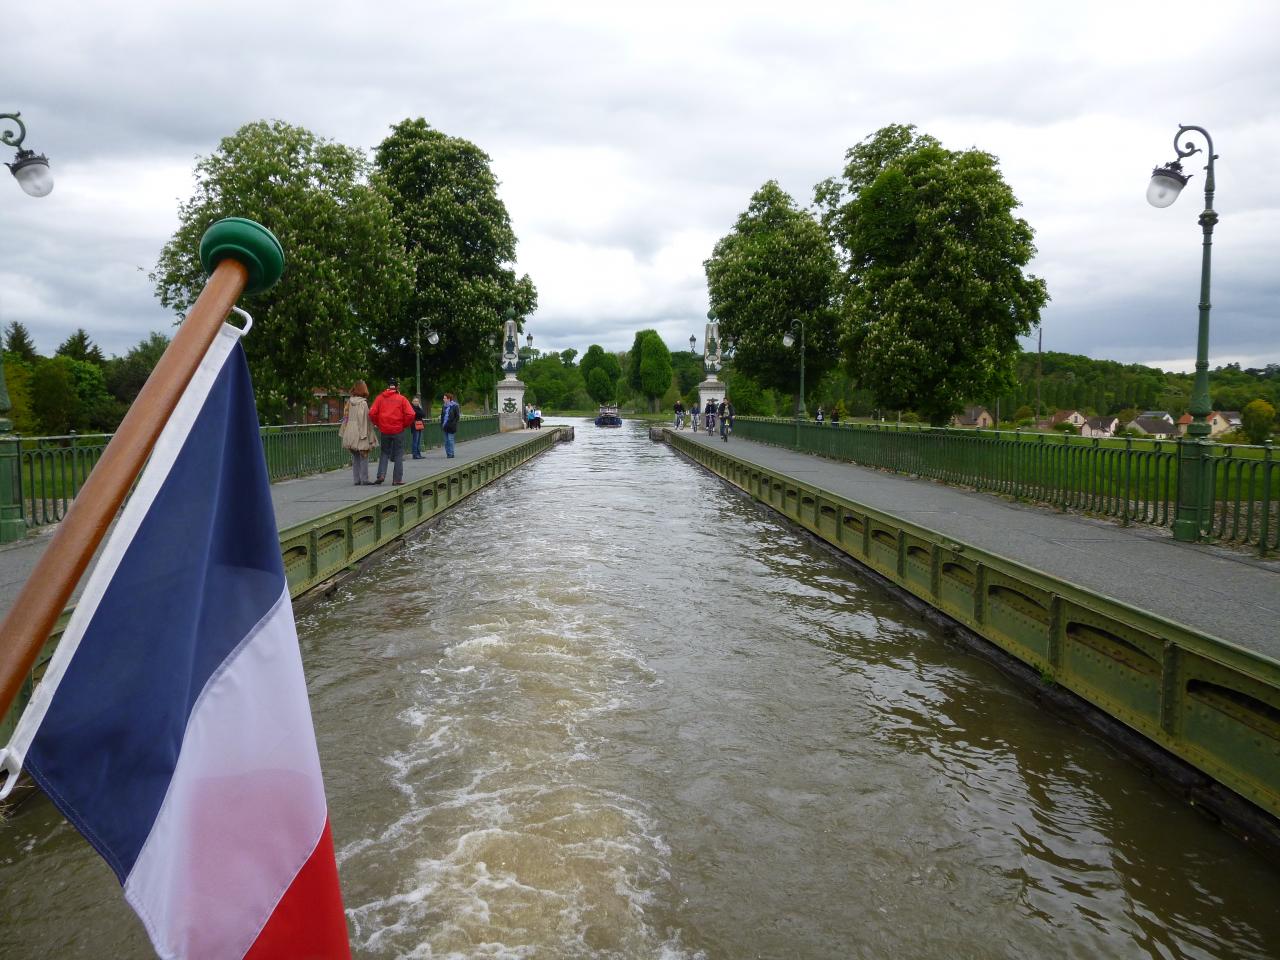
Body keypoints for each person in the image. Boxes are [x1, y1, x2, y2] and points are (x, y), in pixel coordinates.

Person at [369, 377, 416, 485]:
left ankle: (381, 475)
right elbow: (411, 414)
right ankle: (397, 479)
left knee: (384, 452)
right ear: (397, 387)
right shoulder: (402, 399)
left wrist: (378, 423)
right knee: (399, 453)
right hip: (398, 429)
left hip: (385, 429)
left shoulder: (380, 398)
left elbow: (372, 413)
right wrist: (404, 424)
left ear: (388, 386)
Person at [339, 380, 374, 485]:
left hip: (349, 430)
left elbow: (345, 417)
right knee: (364, 455)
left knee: (355, 456)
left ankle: (356, 480)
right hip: (360, 431)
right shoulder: (363, 403)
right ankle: (364, 479)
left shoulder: (349, 402)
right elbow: (365, 420)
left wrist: (344, 432)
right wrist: (367, 435)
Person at [440, 391, 460, 458]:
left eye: (444, 398)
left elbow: (457, 417)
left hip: (451, 426)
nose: (443, 399)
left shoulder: (455, 406)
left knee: (450, 440)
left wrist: (453, 424)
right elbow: (442, 416)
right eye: (443, 398)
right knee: (446, 441)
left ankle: (451, 453)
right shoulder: (443, 407)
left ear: (448, 399)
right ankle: (448, 453)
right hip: (445, 426)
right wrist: (441, 424)